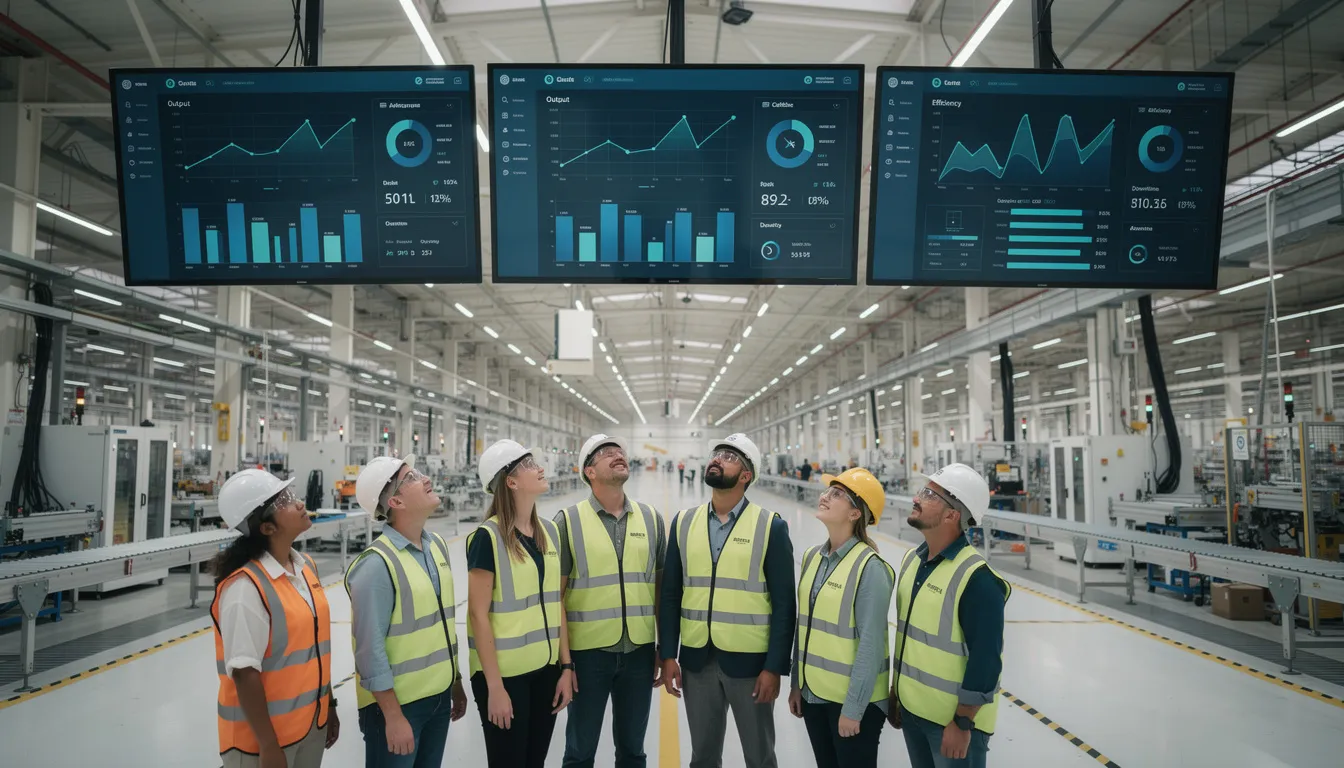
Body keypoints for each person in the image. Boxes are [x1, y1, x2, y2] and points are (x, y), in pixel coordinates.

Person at [660, 433, 795, 768]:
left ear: (746, 475)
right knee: (703, 756)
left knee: (759, 756)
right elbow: (670, 594)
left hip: (750, 666)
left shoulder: (770, 527)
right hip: (696, 661)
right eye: (717, 453)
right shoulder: (683, 523)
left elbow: (784, 606)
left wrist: (774, 667)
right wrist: (667, 654)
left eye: (729, 457)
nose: (717, 459)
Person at [211, 469, 338, 768]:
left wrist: (328, 705)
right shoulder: (245, 588)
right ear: (267, 528)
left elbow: (314, 644)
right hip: (260, 742)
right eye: (284, 501)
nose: (298, 503)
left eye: (292, 496)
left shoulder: (305, 566)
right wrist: (268, 745)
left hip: (309, 726)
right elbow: (244, 672)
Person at [346, 455, 466, 768]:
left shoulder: (436, 546)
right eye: (411, 477)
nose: (425, 479)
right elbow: (369, 651)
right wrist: (394, 716)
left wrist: (455, 681)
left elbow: (441, 624)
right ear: (396, 501)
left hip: (438, 697)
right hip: (398, 707)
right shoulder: (375, 565)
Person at [888, 464, 1011, 768]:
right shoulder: (912, 561)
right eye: (922, 490)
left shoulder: (978, 579)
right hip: (914, 713)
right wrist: (898, 691)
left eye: (930, 495)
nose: (917, 498)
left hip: (952, 725)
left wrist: (963, 723)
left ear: (952, 514)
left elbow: (986, 661)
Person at [555, 434, 667, 768]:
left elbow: (660, 590)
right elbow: (555, 599)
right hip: (588, 657)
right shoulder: (568, 521)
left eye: (618, 450)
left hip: (639, 653)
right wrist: (566, 663)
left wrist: (664, 647)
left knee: (633, 750)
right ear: (588, 471)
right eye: (605, 453)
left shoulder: (650, 519)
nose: (617, 454)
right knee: (579, 750)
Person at [468, 439, 575, 768]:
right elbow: (478, 616)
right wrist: (495, 687)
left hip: (545, 672)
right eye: (529, 465)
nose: (540, 468)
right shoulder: (488, 537)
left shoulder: (549, 532)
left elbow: (556, 601)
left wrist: (566, 667)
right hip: (506, 679)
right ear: (510, 481)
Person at [789, 468, 894, 768]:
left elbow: (871, 645)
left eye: (837, 495)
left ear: (855, 514)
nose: (825, 497)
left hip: (852, 704)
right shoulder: (813, 557)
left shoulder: (870, 567)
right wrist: (799, 684)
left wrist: (854, 709)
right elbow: (804, 626)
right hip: (815, 695)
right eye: (828, 491)